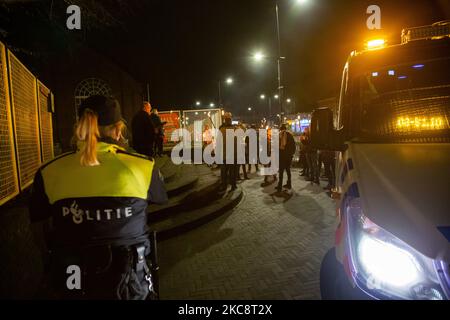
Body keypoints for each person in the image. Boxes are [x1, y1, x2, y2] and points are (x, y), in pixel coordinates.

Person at [29, 95, 168, 300]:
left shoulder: (49, 172)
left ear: (79, 127)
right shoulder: (144, 167)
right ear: (119, 130)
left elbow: (39, 226)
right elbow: (159, 198)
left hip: (73, 284)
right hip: (131, 285)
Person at [219, 113, 237, 191]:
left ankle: (224, 186)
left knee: (224, 172)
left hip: (224, 155)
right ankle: (233, 185)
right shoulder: (234, 129)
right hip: (231, 155)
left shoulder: (221, 130)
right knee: (232, 171)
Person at [276, 124, 296, 192]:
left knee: (281, 171)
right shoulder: (290, 135)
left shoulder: (280, 135)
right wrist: (291, 154)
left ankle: (279, 186)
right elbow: (294, 146)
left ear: (281, 129)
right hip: (289, 156)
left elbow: (278, 147)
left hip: (282, 156)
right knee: (288, 170)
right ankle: (289, 183)